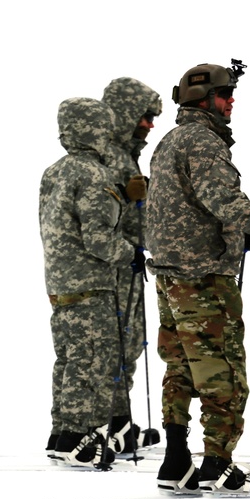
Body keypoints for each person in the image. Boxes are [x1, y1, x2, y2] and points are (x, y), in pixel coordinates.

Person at [144, 62, 250, 495]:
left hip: (171, 277)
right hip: (202, 280)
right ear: (204, 101)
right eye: (225, 95)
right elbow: (223, 199)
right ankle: (217, 464)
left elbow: (182, 208)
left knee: (181, 368)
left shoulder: (169, 141)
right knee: (223, 370)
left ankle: (176, 460)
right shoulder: (203, 142)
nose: (231, 102)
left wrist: (233, 236)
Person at [40, 97, 139, 468]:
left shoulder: (55, 171)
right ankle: (79, 437)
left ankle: (61, 431)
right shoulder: (94, 175)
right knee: (92, 360)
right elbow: (97, 238)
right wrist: (130, 252)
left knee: (68, 360)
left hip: (61, 282)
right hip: (92, 282)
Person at [100, 77, 164, 455]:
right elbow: (99, 208)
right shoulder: (109, 156)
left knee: (129, 343)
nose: (149, 125)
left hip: (131, 264)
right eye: (144, 117)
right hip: (115, 267)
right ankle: (107, 424)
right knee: (115, 346)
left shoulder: (126, 155)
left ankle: (120, 424)